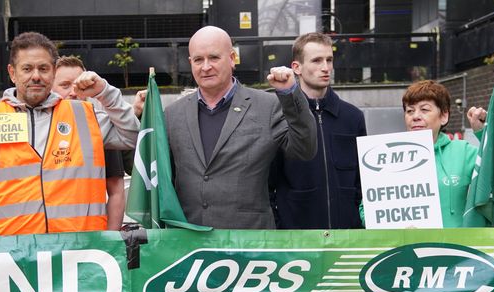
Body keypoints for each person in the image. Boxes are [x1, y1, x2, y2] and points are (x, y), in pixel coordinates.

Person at [0, 32, 139, 236]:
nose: (36, 76)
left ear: (52, 72)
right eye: (27, 68)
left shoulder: (84, 116)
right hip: (11, 257)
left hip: (79, 253)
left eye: (43, 68)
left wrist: (105, 92)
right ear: (12, 73)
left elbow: (132, 136)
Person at [163, 26, 317, 229]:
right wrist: (140, 118)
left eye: (214, 57)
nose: (206, 67)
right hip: (188, 241)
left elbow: (305, 149)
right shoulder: (172, 114)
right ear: (190, 62)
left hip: (248, 243)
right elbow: (152, 170)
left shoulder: (268, 106)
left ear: (232, 58)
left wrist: (290, 94)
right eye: (198, 60)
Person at [270, 32, 366, 230]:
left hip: (348, 238)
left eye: (329, 60)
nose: (325, 68)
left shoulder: (353, 117)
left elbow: (362, 182)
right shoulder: (279, 116)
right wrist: (280, 227)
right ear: (296, 67)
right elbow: (268, 182)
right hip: (296, 240)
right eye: (316, 60)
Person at [401, 80, 494, 227]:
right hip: (405, 247)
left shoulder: (462, 152)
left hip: (455, 248)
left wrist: (484, 133)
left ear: (444, 116)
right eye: (410, 111)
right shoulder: (390, 157)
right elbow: (369, 206)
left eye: (424, 109)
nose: (415, 116)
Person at [52, 55, 126, 231]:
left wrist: (110, 241)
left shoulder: (98, 127)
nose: (72, 92)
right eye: (64, 85)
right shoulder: (39, 126)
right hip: (44, 241)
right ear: (50, 88)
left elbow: (116, 191)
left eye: (79, 86)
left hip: (89, 239)